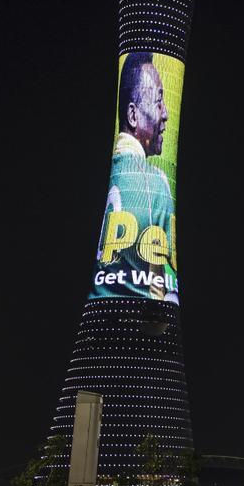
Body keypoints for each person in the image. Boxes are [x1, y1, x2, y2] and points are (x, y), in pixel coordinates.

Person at [91, 52, 179, 303]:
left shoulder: (117, 175)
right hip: (134, 321)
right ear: (133, 116)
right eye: (159, 101)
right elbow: (162, 297)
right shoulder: (157, 184)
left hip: (103, 320)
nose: (165, 115)